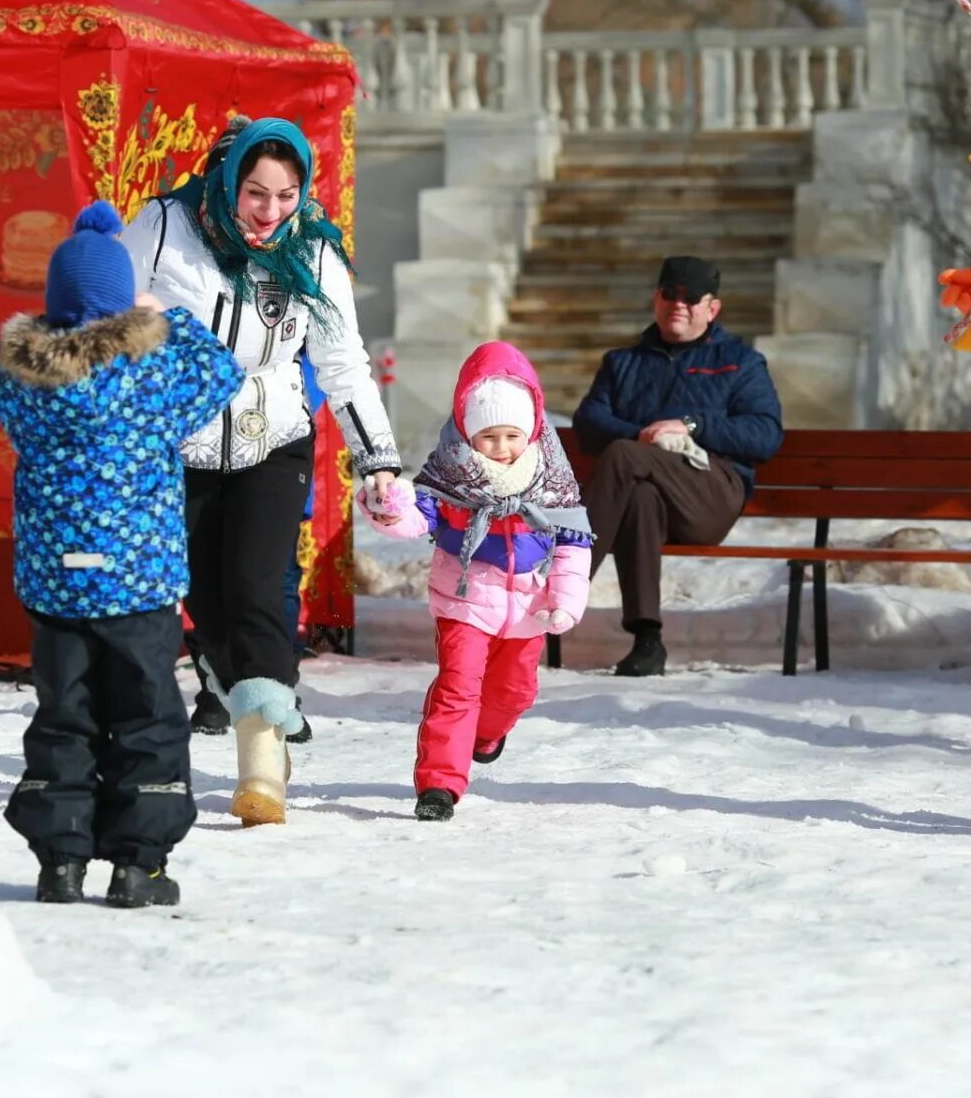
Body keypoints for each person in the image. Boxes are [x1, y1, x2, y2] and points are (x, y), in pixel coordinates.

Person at [122, 116, 397, 827]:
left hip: (272, 433)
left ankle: (263, 767)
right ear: (229, 181)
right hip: (177, 440)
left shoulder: (313, 250)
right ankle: (258, 702)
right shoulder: (164, 225)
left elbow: (343, 364)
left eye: (285, 195)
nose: (269, 211)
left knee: (252, 587)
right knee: (201, 601)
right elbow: (106, 313)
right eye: (255, 193)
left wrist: (379, 460)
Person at [0, 202, 242, 906]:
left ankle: (59, 863)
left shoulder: (24, 379)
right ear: (124, 306)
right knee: (148, 718)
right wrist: (165, 317)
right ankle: (138, 864)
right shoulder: (149, 378)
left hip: (54, 585)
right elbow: (221, 373)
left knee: (66, 716)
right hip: (139, 583)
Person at [360, 341, 590, 821]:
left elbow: (572, 540)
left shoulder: (550, 478)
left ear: (529, 431)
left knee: (515, 692)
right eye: (489, 437)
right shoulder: (450, 474)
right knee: (458, 687)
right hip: (464, 600)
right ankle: (439, 785)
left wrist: (566, 599)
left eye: (511, 435)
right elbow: (416, 518)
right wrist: (388, 506)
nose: (502, 448)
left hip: (528, 606)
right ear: (468, 431)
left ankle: (487, 734)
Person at [572, 255, 783, 677]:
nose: (679, 304)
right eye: (670, 293)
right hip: (649, 491)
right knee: (640, 493)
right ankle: (647, 641)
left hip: (710, 494)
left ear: (712, 308)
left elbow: (765, 434)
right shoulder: (623, 363)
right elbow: (587, 422)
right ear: (656, 299)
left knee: (624, 456)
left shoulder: (740, 362)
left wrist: (692, 425)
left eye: (691, 297)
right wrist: (644, 436)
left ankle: (564, 586)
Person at [188, 347, 318, 742]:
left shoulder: (298, 315)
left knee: (268, 588)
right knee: (205, 586)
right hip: (201, 460)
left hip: (272, 467)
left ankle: (276, 696)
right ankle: (223, 681)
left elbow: (321, 381)